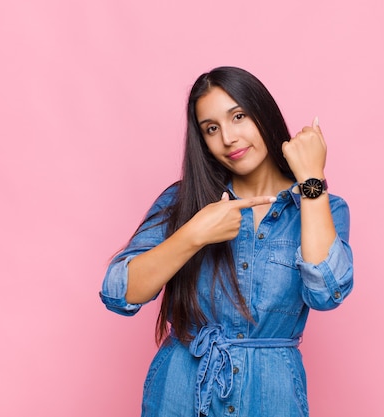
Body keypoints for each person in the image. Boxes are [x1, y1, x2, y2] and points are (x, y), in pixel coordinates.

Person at [100, 66, 353, 417]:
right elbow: (119, 292)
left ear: (263, 113)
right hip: (178, 394)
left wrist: (312, 179)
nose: (229, 138)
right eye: (212, 129)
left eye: (239, 116)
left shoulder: (322, 207)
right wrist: (193, 234)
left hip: (271, 398)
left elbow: (327, 292)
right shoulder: (183, 201)